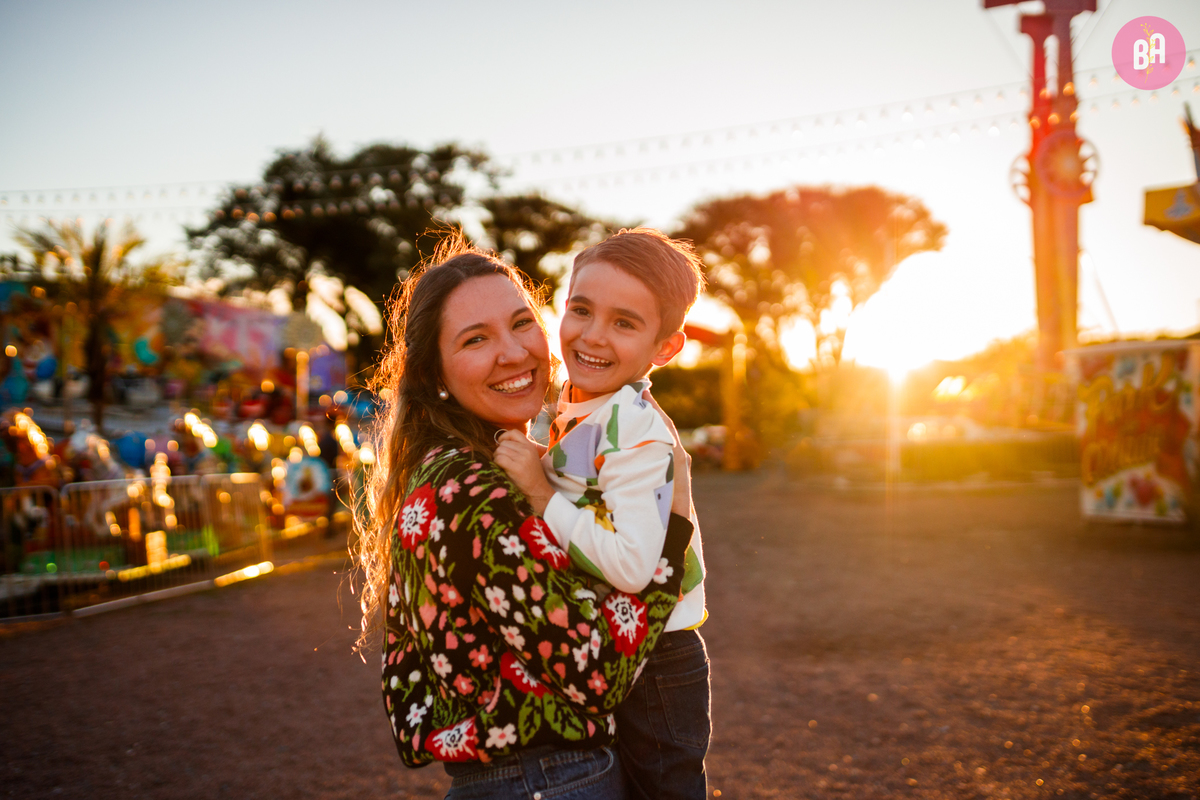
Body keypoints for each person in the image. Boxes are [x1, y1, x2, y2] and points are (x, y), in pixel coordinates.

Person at [355, 238, 697, 800]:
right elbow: (593, 672)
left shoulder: (463, 466)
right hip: (547, 780)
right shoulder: (472, 490)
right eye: (475, 339)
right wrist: (674, 531)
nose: (513, 353)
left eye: (521, 323)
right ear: (434, 370)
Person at [494, 228, 711, 800]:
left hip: (657, 658)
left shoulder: (635, 430)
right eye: (582, 310)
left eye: (624, 323)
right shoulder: (582, 402)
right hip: (619, 640)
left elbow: (632, 566)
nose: (592, 335)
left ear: (665, 348)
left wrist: (539, 492)